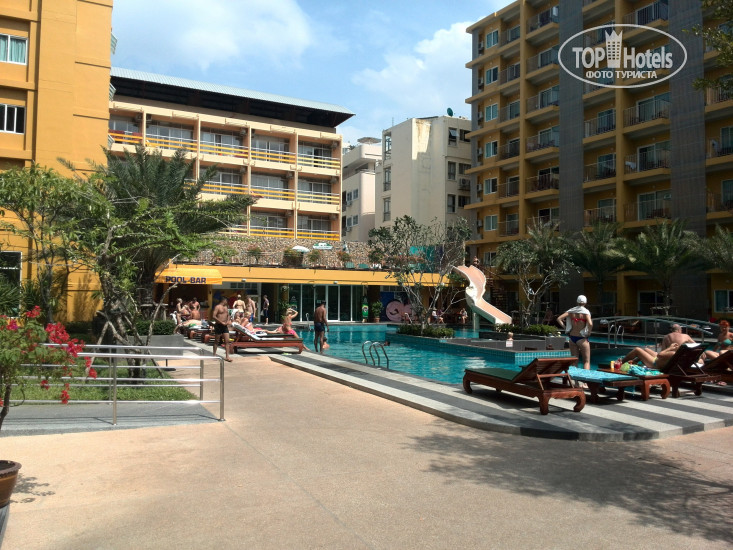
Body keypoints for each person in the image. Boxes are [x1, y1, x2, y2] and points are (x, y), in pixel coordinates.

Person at [557, 295, 593, 370]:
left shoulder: (571, 311)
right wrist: (589, 332)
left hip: (572, 338)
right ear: (585, 303)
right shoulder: (586, 312)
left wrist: (565, 328)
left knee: (574, 362)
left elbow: (559, 319)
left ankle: (574, 378)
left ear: (577, 302)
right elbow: (590, 323)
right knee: (586, 362)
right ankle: (585, 378)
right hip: (582, 338)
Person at [212, 297, 233, 362]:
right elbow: (214, 316)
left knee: (227, 341)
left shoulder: (226, 307)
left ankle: (227, 356)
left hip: (225, 326)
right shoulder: (217, 307)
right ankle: (214, 355)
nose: (227, 302)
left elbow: (228, 315)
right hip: (218, 325)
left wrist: (228, 321)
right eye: (226, 301)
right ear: (224, 300)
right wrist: (221, 322)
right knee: (216, 341)